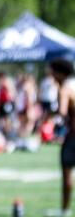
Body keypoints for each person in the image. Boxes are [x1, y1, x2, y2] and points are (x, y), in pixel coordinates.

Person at [51, 58, 75, 215]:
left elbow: (62, 112)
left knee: (67, 174)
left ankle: (64, 210)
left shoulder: (65, 88)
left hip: (73, 136)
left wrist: (50, 116)